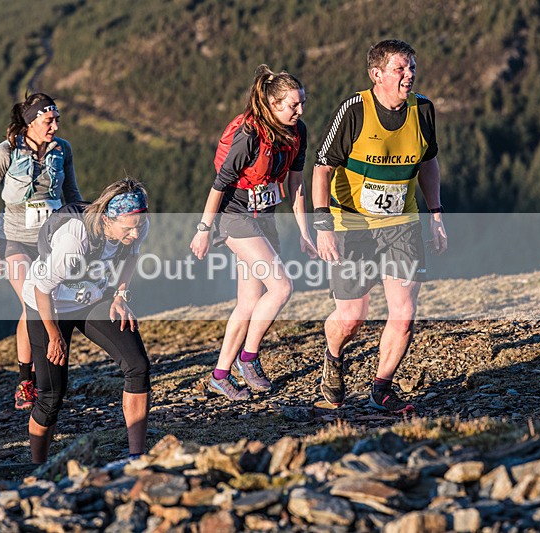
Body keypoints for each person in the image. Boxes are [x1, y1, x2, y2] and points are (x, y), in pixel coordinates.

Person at [312, 39, 447, 414]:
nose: (409, 75)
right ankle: (334, 355)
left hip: (402, 223)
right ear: (377, 74)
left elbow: (428, 162)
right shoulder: (354, 110)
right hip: (352, 223)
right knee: (352, 317)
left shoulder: (423, 110)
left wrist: (435, 214)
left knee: (403, 314)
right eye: (400, 69)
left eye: (412, 68)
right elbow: (322, 168)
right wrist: (323, 225)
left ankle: (381, 388)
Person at [190, 65, 317, 401]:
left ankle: (220, 374)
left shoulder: (296, 132)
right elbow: (220, 185)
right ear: (273, 105)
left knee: (248, 302)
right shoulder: (249, 135)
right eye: (293, 105)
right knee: (281, 286)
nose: (300, 110)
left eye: (301, 103)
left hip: (264, 218)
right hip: (235, 217)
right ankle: (248, 357)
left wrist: (306, 233)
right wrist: (204, 229)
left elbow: (297, 186)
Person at [23, 178, 151, 463]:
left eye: (138, 226)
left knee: (137, 365)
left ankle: (136, 457)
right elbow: (41, 289)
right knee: (51, 395)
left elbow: (132, 256)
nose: (134, 232)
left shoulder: (138, 222)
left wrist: (120, 295)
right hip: (48, 305)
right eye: (127, 228)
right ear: (107, 219)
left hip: (91, 298)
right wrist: (54, 335)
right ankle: (37, 469)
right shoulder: (74, 239)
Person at [0, 93, 82, 411]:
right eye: (49, 120)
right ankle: (26, 381)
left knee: (51, 306)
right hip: (15, 242)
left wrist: (83, 231)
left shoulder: (63, 150)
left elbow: (71, 194)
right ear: (31, 121)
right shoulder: (5, 153)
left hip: (53, 241)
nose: (56, 125)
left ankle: (47, 377)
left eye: (57, 119)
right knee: (32, 300)